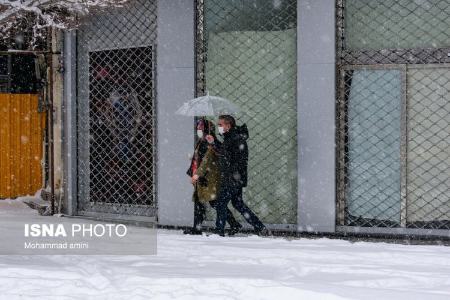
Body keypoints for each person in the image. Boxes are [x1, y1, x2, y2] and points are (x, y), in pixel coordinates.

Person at [206, 115, 268, 236]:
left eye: (220, 125)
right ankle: (260, 227)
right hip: (234, 178)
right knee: (237, 203)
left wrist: (229, 173)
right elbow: (225, 153)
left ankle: (220, 231)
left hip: (232, 178)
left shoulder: (236, 139)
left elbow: (235, 160)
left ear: (228, 126)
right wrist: (213, 142)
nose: (219, 127)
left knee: (221, 203)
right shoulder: (230, 138)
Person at [184, 119, 242, 235]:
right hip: (206, 177)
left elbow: (207, 161)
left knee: (207, 201)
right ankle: (233, 224)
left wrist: (197, 175)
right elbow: (202, 159)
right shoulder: (203, 142)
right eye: (198, 129)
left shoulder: (209, 142)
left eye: (201, 129)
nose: (199, 131)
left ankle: (198, 228)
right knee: (208, 201)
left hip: (208, 178)